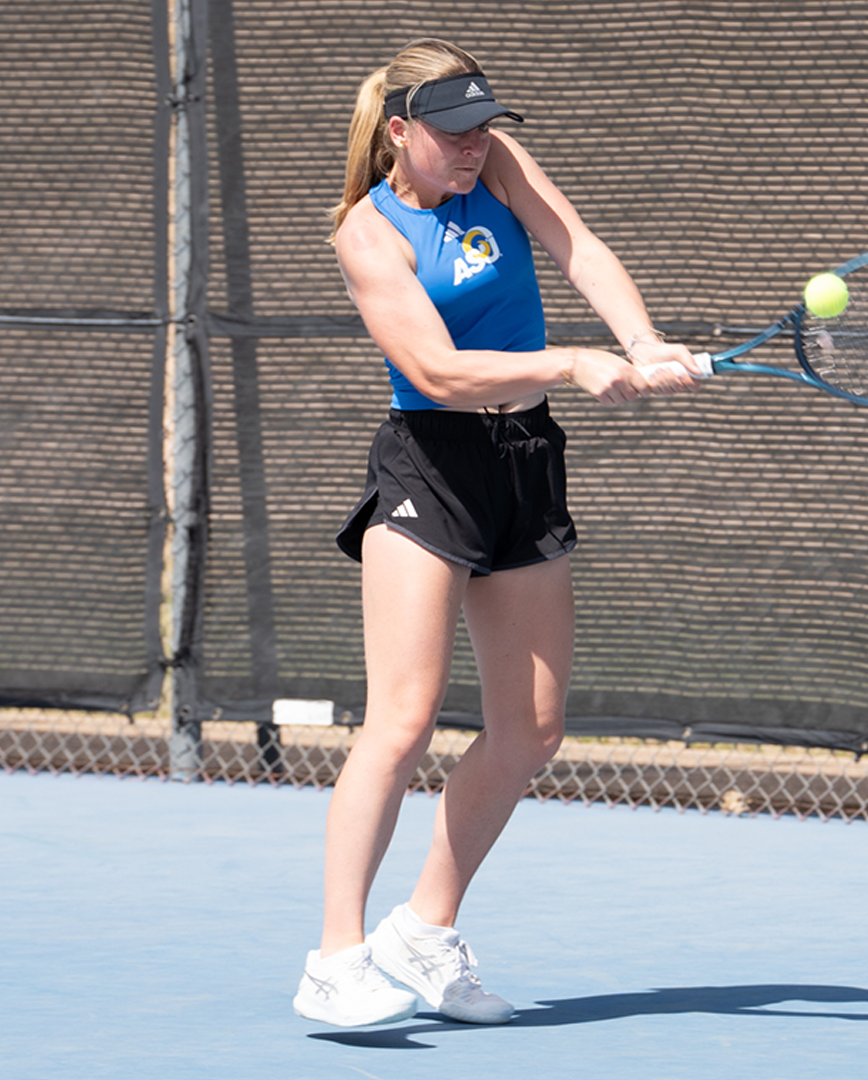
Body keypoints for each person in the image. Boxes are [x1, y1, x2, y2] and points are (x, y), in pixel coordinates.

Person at [290, 39, 703, 1028]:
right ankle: (335, 957)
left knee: (531, 731)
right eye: (455, 132)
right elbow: (433, 371)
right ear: (401, 133)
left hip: (524, 460)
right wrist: (570, 361)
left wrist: (640, 342)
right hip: (429, 466)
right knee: (402, 718)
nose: (477, 147)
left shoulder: (498, 166)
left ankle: (423, 932)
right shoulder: (366, 233)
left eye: (486, 127)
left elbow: (581, 248)